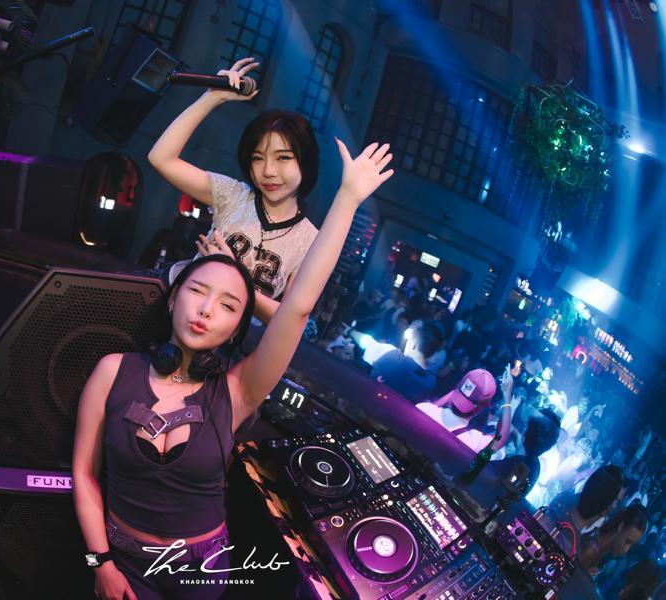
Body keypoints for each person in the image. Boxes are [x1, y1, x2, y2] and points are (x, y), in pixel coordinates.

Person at [74, 138, 394, 600]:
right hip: (119, 563)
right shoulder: (112, 371)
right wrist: (99, 563)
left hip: (203, 572)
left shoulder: (237, 390)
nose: (206, 309)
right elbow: (83, 475)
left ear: (236, 328)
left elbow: (297, 309)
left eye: (228, 305)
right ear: (173, 298)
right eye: (197, 291)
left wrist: (346, 200)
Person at [148, 57, 320, 323]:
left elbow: (289, 320)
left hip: (229, 340)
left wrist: (235, 274)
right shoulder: (234, 196)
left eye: (283, 158)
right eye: (257, 158)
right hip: (173, 314)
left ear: (305, 162)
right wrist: (212, 98)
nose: (268, 171)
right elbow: (161, 158)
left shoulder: (312, 241)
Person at [416, 368, 513, 453]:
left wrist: (458, 390)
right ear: (480, 409)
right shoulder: (474, 442)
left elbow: (436, 406)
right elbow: (500, 439)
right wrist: (507, 397)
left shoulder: (423, 408)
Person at [350, 319, 445, 403]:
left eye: (409, 339)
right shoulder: (430, 383)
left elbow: (366, 342)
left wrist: (350, 331)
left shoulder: (392, 357)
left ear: (414, 342)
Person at [546, 465, 627, 557]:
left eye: (618, 501)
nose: (614, 506)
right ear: (603, 494)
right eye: (615, 499)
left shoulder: (564, 498)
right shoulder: (572, 549)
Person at [492, 407, 560, 490]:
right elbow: (525, 447)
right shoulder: (535, 467)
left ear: (525, 428)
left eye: (527, 423)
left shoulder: (500, 468)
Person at [580, 504, 648, 573]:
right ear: (621, 527)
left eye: (632, 545)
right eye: (627, 542)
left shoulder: (600, 553)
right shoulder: (592, 549)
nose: (626, 549)